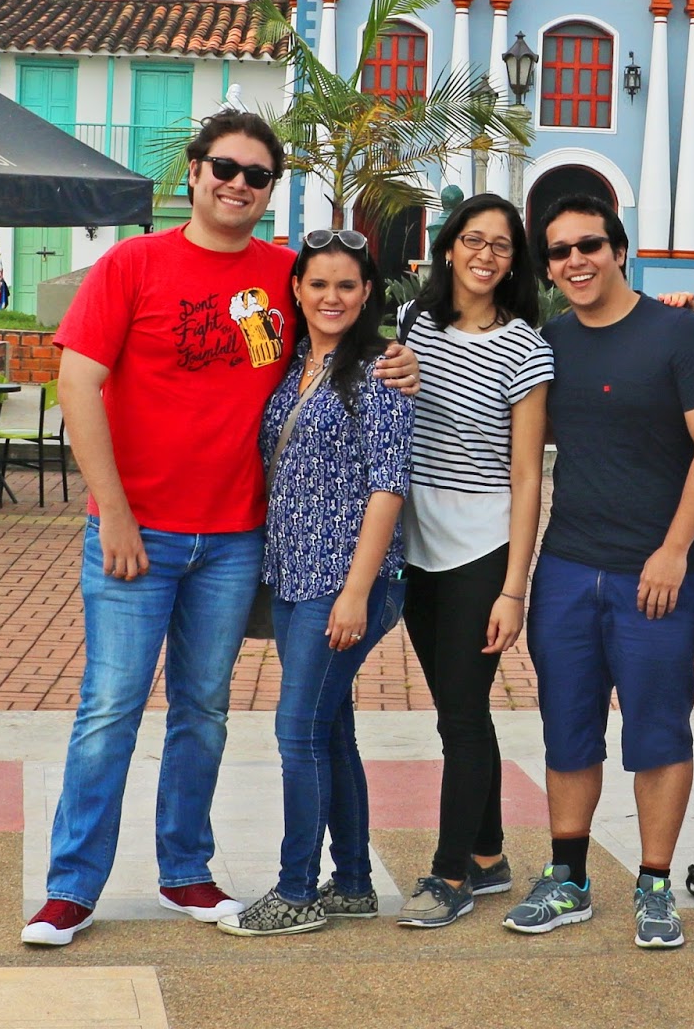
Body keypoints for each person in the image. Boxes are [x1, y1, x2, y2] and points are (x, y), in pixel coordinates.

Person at [22, 113, 417, 947]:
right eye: (225, 168)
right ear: (195, 172)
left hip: (236, 539)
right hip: (138, 533)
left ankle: (184, 871)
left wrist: (400, 359)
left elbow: (347, 325)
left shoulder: (288, 272)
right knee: (110, 709)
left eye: (257, 175)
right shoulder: (133, 262)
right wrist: (115, 512)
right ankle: (71, 888)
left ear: (271, 190)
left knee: (202, 711)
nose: (238, 184)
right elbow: (78, 384)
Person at [502, 195, 694, 950]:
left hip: (655, 571)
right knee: (566, 730)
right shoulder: (548, 343)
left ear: (619, 249)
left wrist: (673, 549)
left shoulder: (678, 333)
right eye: (559, 251)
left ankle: (655, 884)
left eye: (589, 245)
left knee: (658, 731)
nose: (575, 260)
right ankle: (567, 877)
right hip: (566, 568)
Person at [219, 230, 414, 937]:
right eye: (319, 284)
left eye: (347, 286)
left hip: (346, 583)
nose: (332, 297)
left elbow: (389, 485)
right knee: (329, 733)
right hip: (296, 576)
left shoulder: (380, 374)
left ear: (367, 296)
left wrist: (356, 592)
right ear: (297, 290)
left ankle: (296, 890)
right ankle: (354, 883)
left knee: (296, 731)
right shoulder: (291, 363)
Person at [394, 192, 553, 929]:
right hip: (415, 540)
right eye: (473, 240)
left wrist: (512, 588)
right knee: (458, 712)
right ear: (449, 247)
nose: (486, 255)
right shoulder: (414, 324)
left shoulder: (526, 345)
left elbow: (527, 476)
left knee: (460, 716)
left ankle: (448, 873)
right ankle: (488, 855)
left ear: (512, 262)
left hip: (481, 545)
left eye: (501, 245)